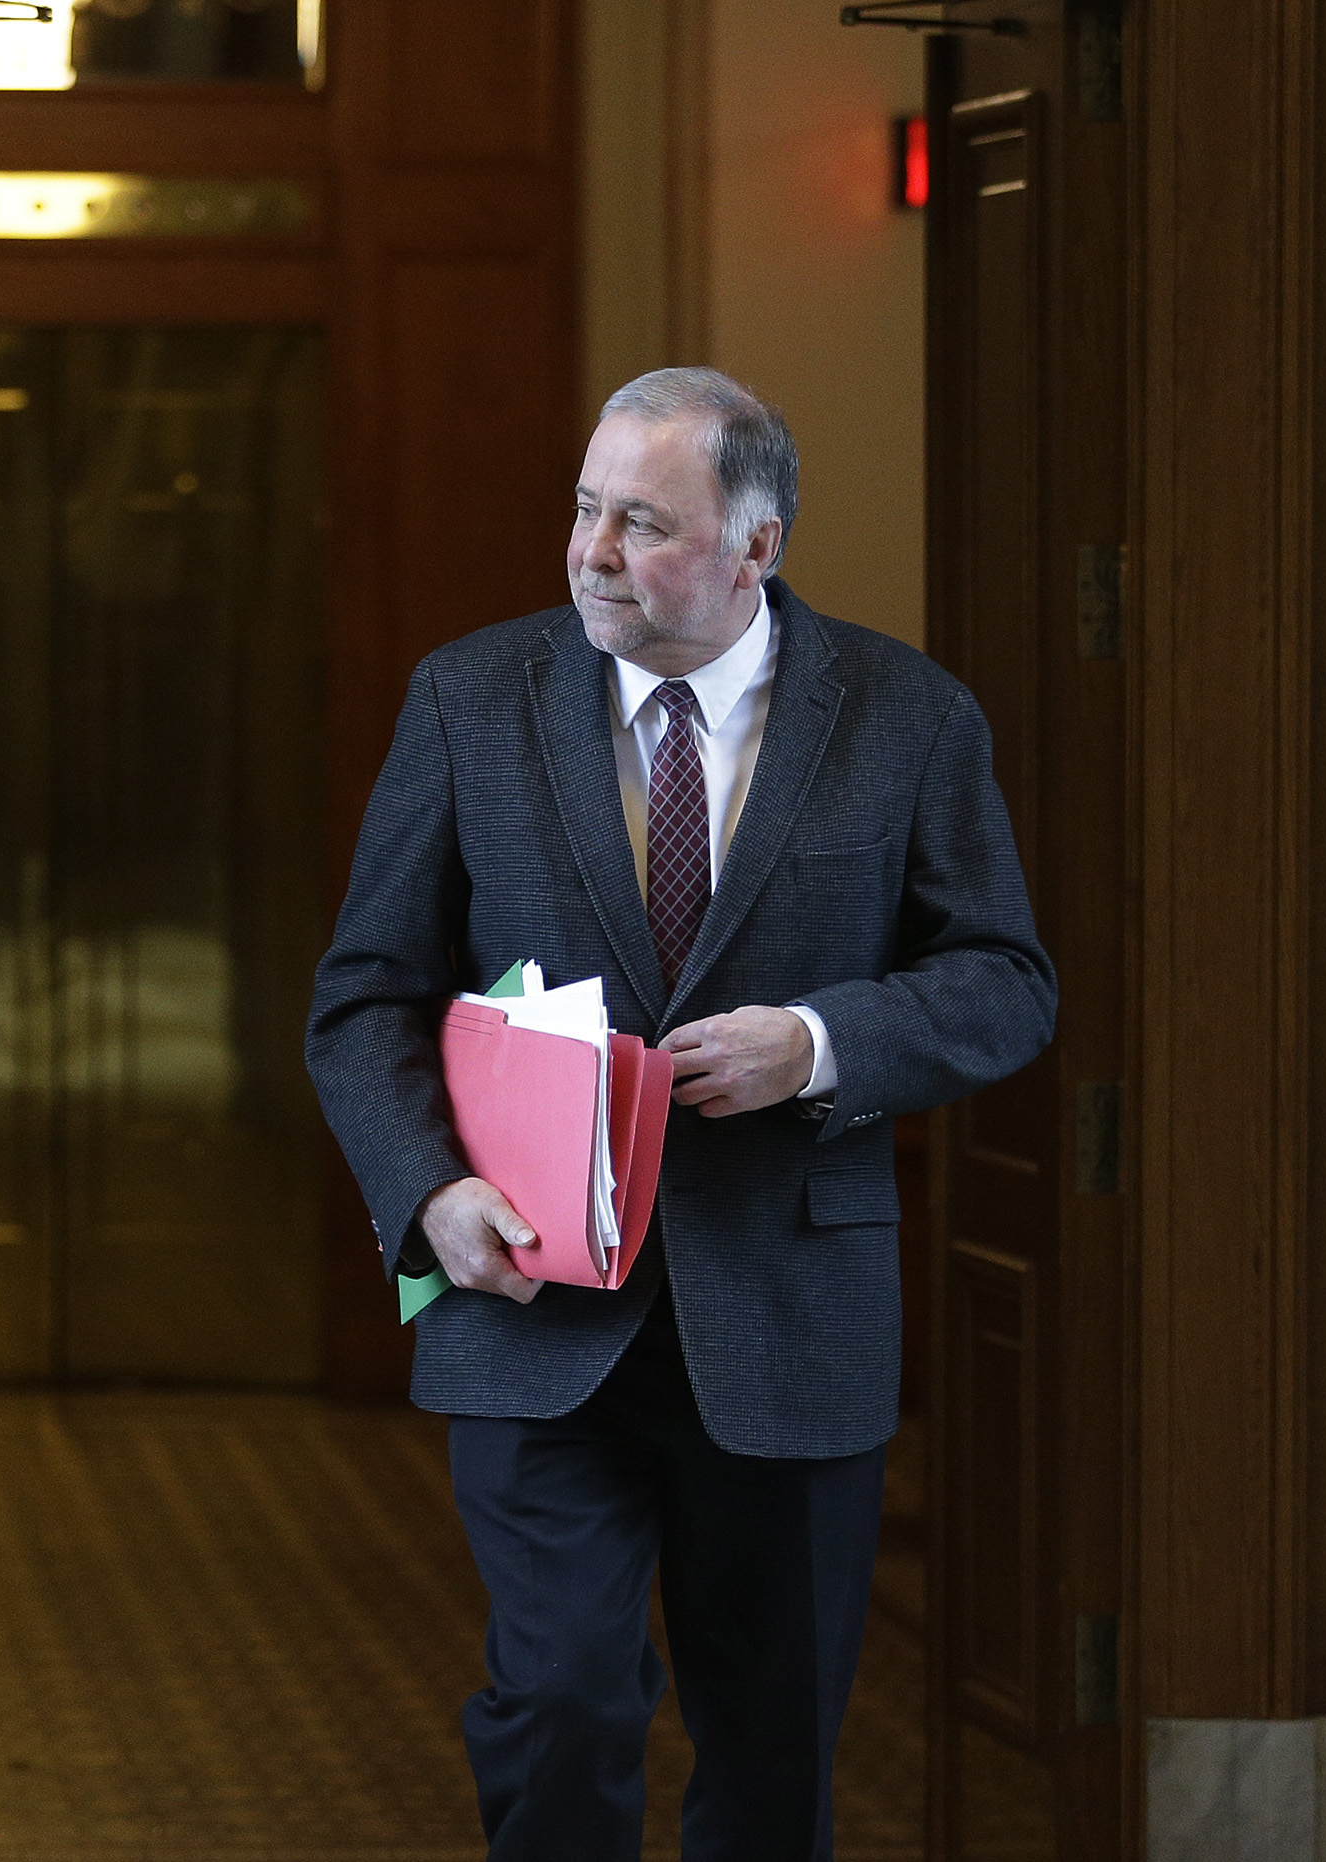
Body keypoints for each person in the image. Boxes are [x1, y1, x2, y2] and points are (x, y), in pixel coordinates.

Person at [305, 367, 1055, 1858]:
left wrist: (824, 1041)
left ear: (754, 547)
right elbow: (364, 997)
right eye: (584, 508)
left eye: (640, 524)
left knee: (773, 1760)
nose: (589, 552)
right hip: (532, 1309)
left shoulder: (906, 714)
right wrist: (432, 1193)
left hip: (789, 1311)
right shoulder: (472, 696)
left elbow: (1006, 980)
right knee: (567, 1704)